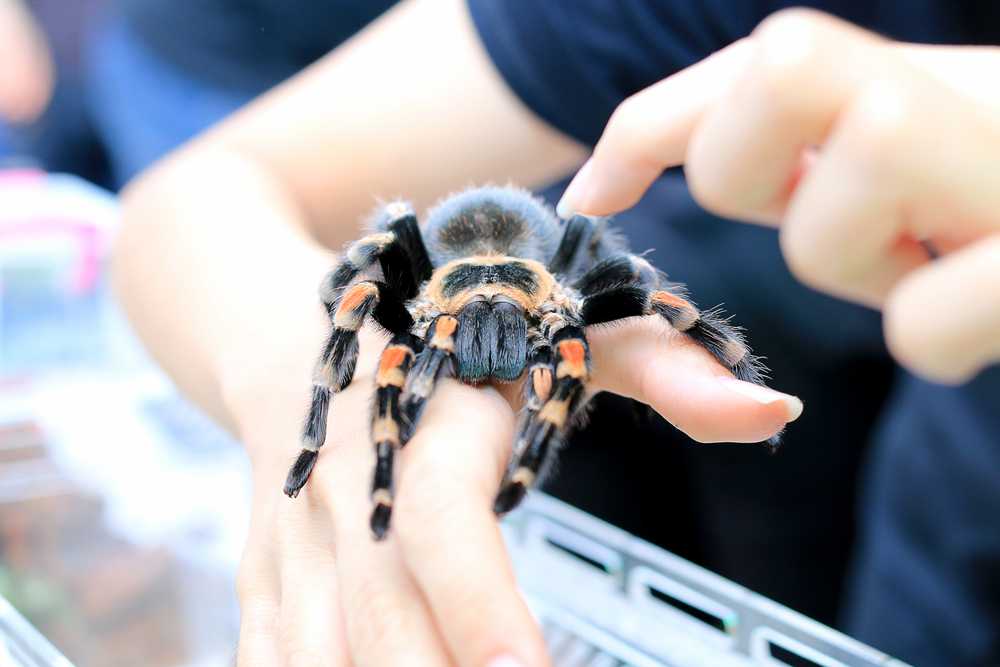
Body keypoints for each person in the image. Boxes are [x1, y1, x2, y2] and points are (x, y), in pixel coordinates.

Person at [111, 2, 1000, 666]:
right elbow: (189, 201)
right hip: (953, 549)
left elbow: (634, 289)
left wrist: (684, 342)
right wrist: (309, 412)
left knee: (627, 295)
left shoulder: (565, 289)